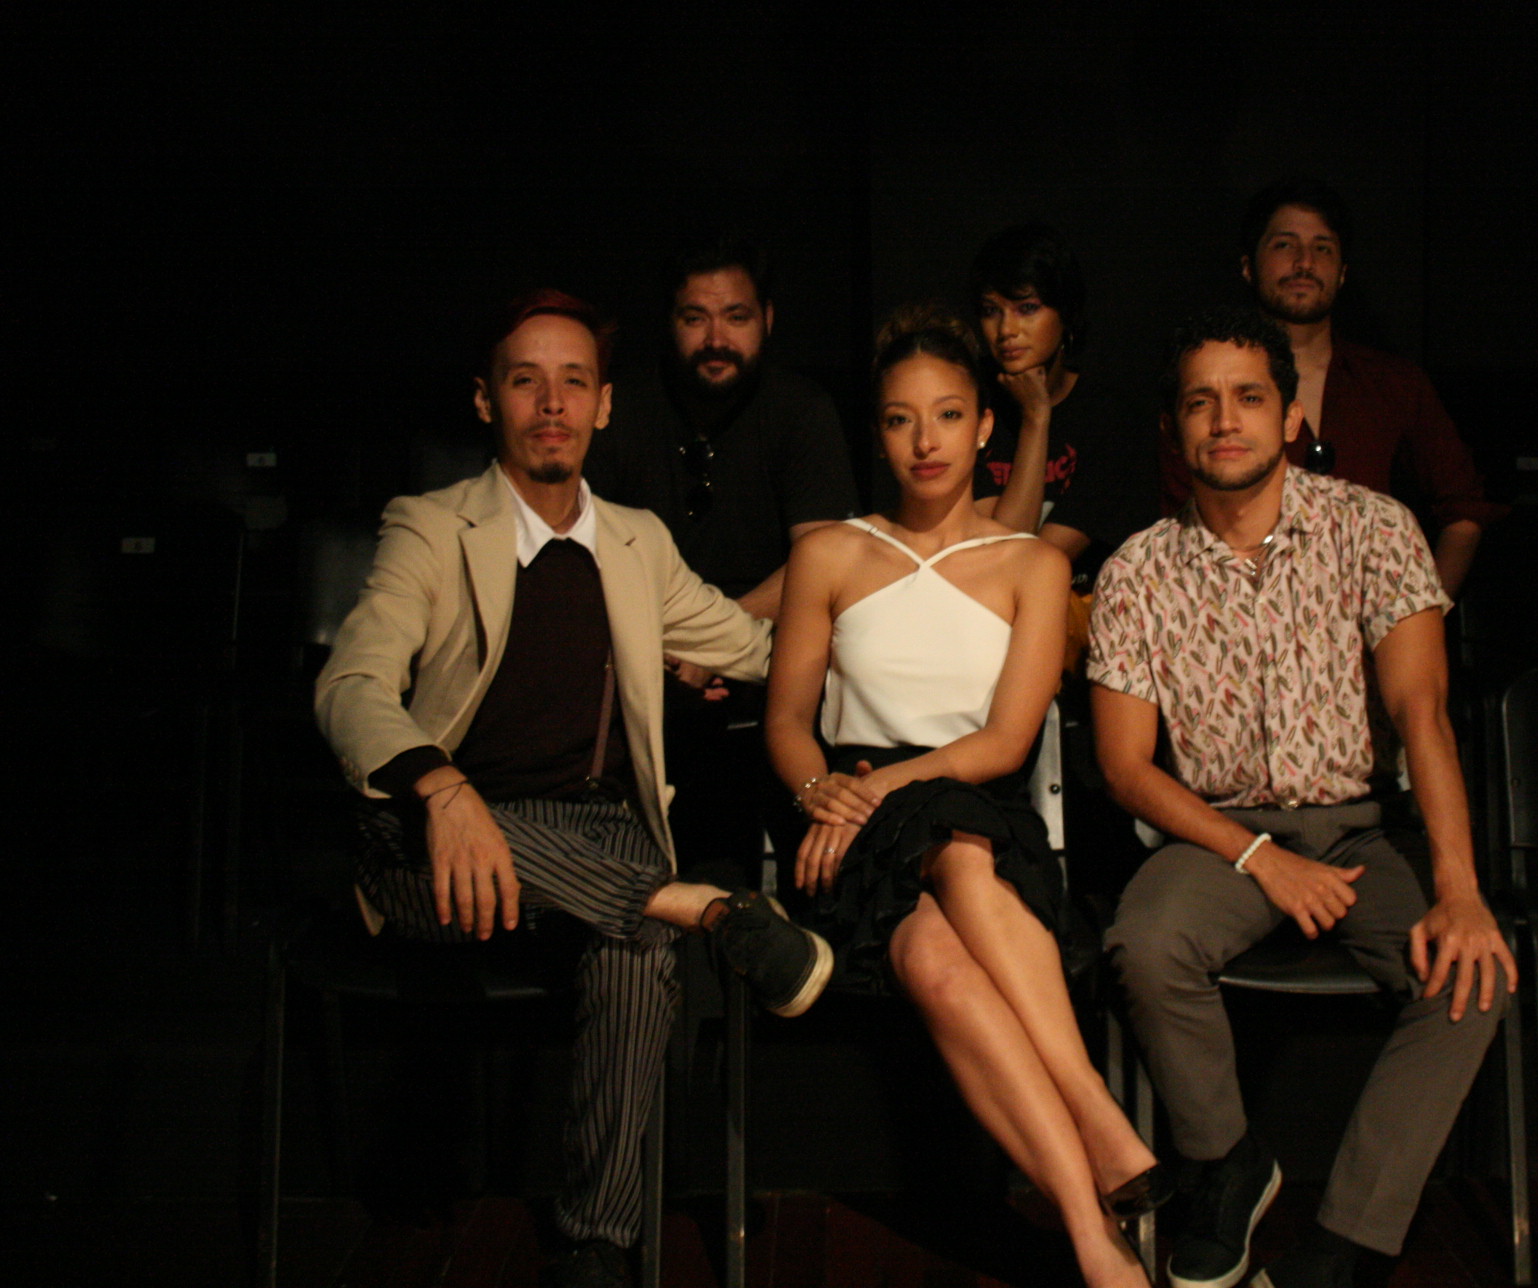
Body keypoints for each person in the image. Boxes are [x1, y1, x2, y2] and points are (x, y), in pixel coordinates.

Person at [315, 289, 833, 1288]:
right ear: (487, 401)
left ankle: (595, 1245)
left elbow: (763, 648)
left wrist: (901, 637)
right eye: (526, 382)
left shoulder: (638, 541)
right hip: (441, 831)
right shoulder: (429, 526)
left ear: (604, 405)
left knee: (637, 943)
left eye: (574, 383)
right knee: (644, 911)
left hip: (590, 837)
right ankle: (709, 910)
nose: (551, 404)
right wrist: (443, 789)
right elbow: (350, 686)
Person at [1090, 308, 1517, 1288]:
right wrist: (1258, 858)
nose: (1224, 420)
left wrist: (1459, 889)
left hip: (1364, 831)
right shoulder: (1135, 571)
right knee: (1145, 945)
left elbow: (1421, 712)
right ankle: (1226, 1165)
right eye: (1200, 402)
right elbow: (1125, 769)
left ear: (1289, 418)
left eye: (1248, 397)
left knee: (1472, 972)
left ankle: (1346, 1244)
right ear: (1173, 428)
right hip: (1217, 836)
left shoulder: (1373, 527)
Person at [765, 307, 1162, 1288]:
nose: (925, 440)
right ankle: (1092, 1197)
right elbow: (788, 724)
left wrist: (879, 791)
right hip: (850, 830)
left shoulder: (1033, 563)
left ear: (986, 425)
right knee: (933, 966)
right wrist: (824, 794)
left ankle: (1087, 1171)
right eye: (901, 419)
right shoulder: (830, 553)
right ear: (879, 432)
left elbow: (1004, 744)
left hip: (977, 808)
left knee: (952, 851)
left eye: (947, 414)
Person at [584, 234, 858, 890]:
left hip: (775, 652)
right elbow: (587, 548)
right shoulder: (622, 407)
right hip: (649, 657)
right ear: (669, 322)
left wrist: (713, 638)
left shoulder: (800, 410)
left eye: (736, 317)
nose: (715, 339)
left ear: (767, 319)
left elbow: (825, 559)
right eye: (695, 318)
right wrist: (665, 649)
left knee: (816, 860)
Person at [1161, 180, 1503, 598]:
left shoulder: (1393, 382)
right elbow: (1181, 522)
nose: (1304, 262)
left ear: (1342, 273)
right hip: (1239, 617)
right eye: (1285, 245)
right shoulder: (1205, 390)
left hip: (1371, 622)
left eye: (1322, 248)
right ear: (1248, 265)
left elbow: (1464, 510)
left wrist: (1419, 613)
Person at [969, 223, 1156, 585]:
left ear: (1066, 314)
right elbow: (999, 556)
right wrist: (1035, 419)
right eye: (991, 310)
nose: (1006, 330)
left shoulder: (1109, 419)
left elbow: (1025, 565)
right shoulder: (971, 406)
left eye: (1027, 308)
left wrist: (1036, 416)